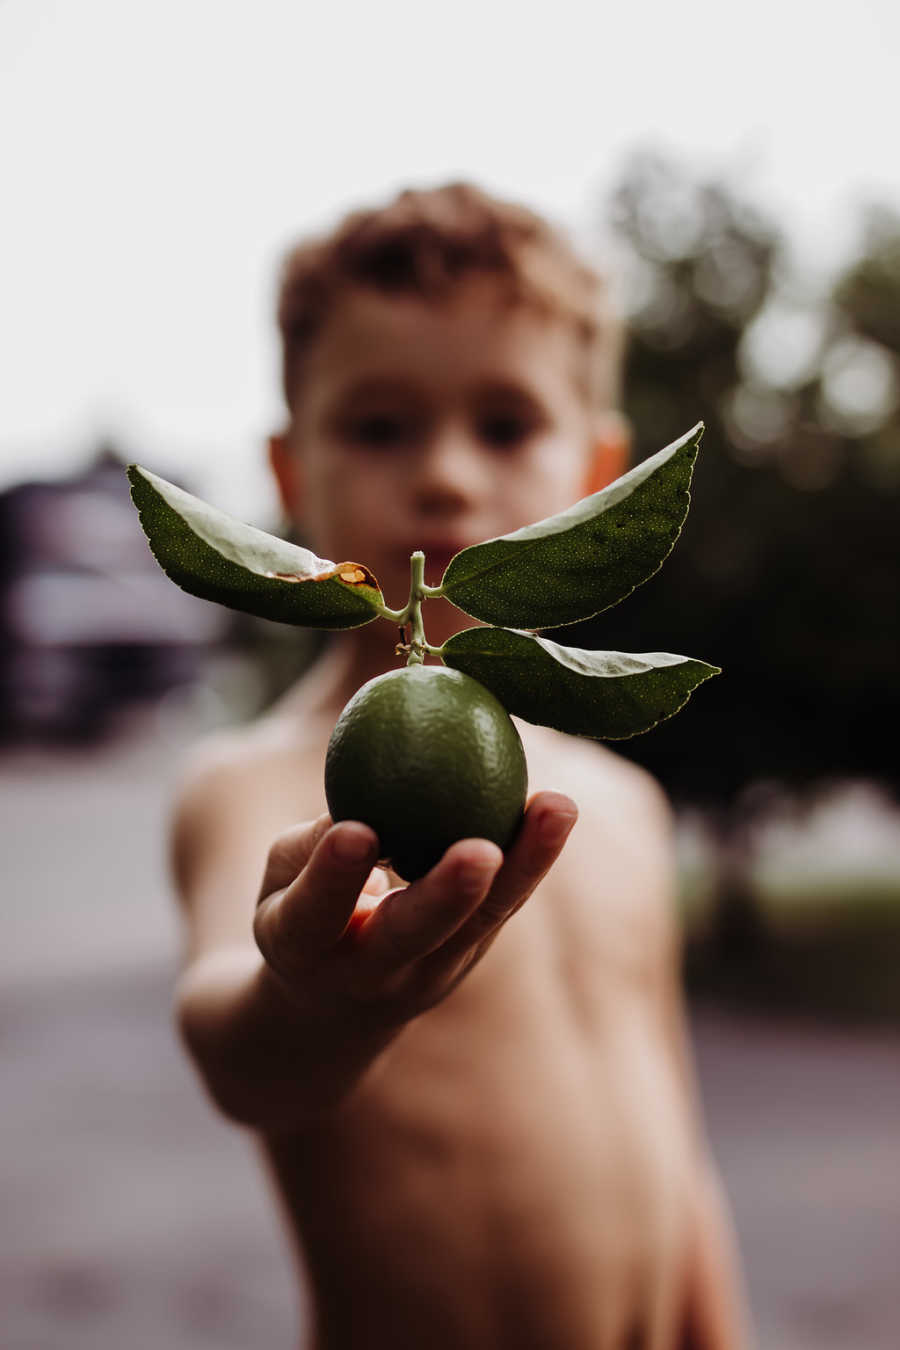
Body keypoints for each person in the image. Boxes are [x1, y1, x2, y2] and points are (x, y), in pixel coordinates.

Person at [171, 182, 749, 1349]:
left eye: (504, 425)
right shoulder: (256, 783)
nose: (443, 476)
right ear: (288, 473)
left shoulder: (623, 799)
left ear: (599, 474)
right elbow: (243, 1062)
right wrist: (315, 1002)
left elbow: (672, 1150)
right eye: (379, 425)